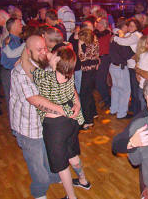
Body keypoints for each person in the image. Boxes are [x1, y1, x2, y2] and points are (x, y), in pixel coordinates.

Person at [21, 41, 90, 199]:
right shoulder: (69, 74)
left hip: (55, 127)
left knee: (61, 165)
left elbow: (26, 65)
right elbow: (72, 92)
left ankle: (71, 197)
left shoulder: (46, 78)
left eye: (54, 54)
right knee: (72, 154)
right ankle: (83, 180)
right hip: (71, 123)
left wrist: (26, 49)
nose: (50, 53)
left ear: (58, 61)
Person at [10, 35, 67, 199]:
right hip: (28, 128)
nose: (44, 52)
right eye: (39, 50)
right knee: (37, 166)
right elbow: (34, 99)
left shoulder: (45, 65)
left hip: (45, 123)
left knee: (48, 154)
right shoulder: (19, 72)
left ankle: (54, 177)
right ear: (28, 52)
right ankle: (39, 191)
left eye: (45, 48)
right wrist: (61, 109)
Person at [77, 28, 100, 129]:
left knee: (84, 96)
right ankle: (93, 113)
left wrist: (79, 46)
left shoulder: (87, 46)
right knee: (88, 93)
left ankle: (88, 121)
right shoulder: (94, 41)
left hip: (88, 72)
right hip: (92, 71)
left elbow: (82, 59)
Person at [0, 18, 23, 110]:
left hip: (12, 72)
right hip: (9, 72)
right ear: (13, 27)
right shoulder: (10, 41)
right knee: (12, 101)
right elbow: (12, 55)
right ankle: (13, 123)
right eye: (19, 24)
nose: (22, 25)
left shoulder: (17, 40)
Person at [94, 17, 112, 109]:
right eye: (98, 23)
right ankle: (106, 98)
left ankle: (108, 100)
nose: (99, 25)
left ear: (105, 25)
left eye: (101, 24)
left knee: (100, 82)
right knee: (99, 82)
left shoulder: (108, 35)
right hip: (97, 59)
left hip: (104, 59)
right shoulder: (96, 34)